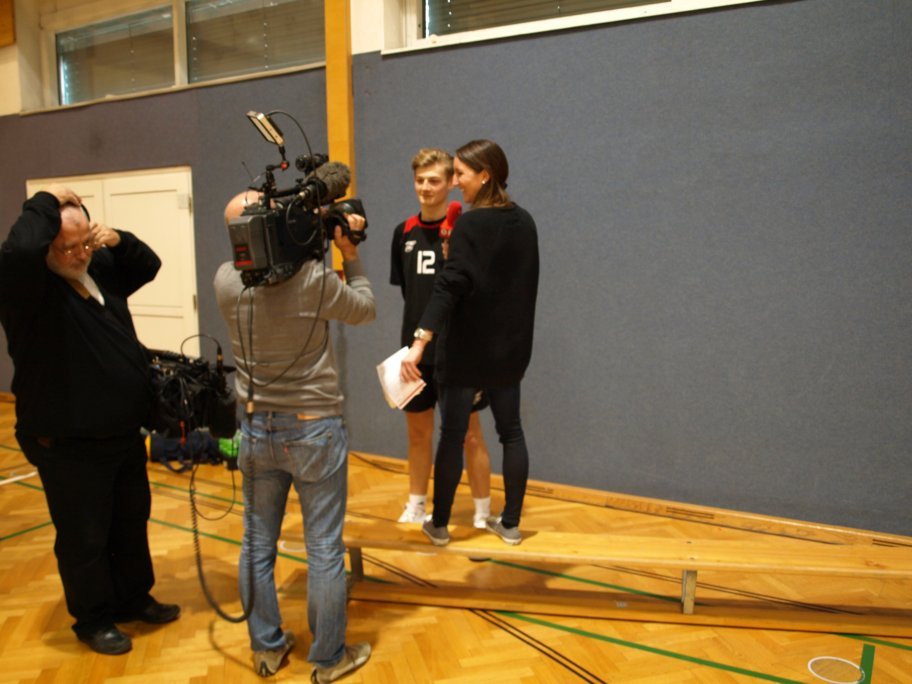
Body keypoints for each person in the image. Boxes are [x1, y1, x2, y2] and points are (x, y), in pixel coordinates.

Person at [0, 186, 179, 655]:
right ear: (47, 245)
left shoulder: (96, 267)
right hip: (68, 443)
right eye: (67, 247)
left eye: (85, 243)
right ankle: (94, 618)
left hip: (122, 434)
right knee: (85, 537)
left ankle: (133, 597)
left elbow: (148, 264)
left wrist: (116, 238)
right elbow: (19, 248)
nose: (79, 254)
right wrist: (45, 199)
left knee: (130, 522)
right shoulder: (28, 289)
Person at [214, 191, 374, 681]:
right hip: (312, 429)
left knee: (255, 544)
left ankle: (266, 648)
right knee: (323, 547)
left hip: (255, 428)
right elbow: (365, 308)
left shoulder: (225, 280)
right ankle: (328, 658)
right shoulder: (313, 280)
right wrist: (349, 254)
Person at [401, 140, 539, 547]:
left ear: (485, 174)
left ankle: (440, 525)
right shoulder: (525, 222)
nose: (456, 181)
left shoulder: (470, 225)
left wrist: (420, 340)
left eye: (461, 173)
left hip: (465, 350)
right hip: (509, 349)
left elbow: (450, 286)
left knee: (452, 434)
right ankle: (510, 524)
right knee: (511, 433)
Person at [390, 148, 492, 527]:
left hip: (458, 353)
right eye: (419, 180)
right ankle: (416, 504)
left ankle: (482, 512)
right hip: (414, 355)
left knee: (469, 435)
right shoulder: (403, 232)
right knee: (418, 434)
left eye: (434, 180)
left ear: (451, 182)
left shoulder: (467, 231)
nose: (425, 187)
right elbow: (409, 292)